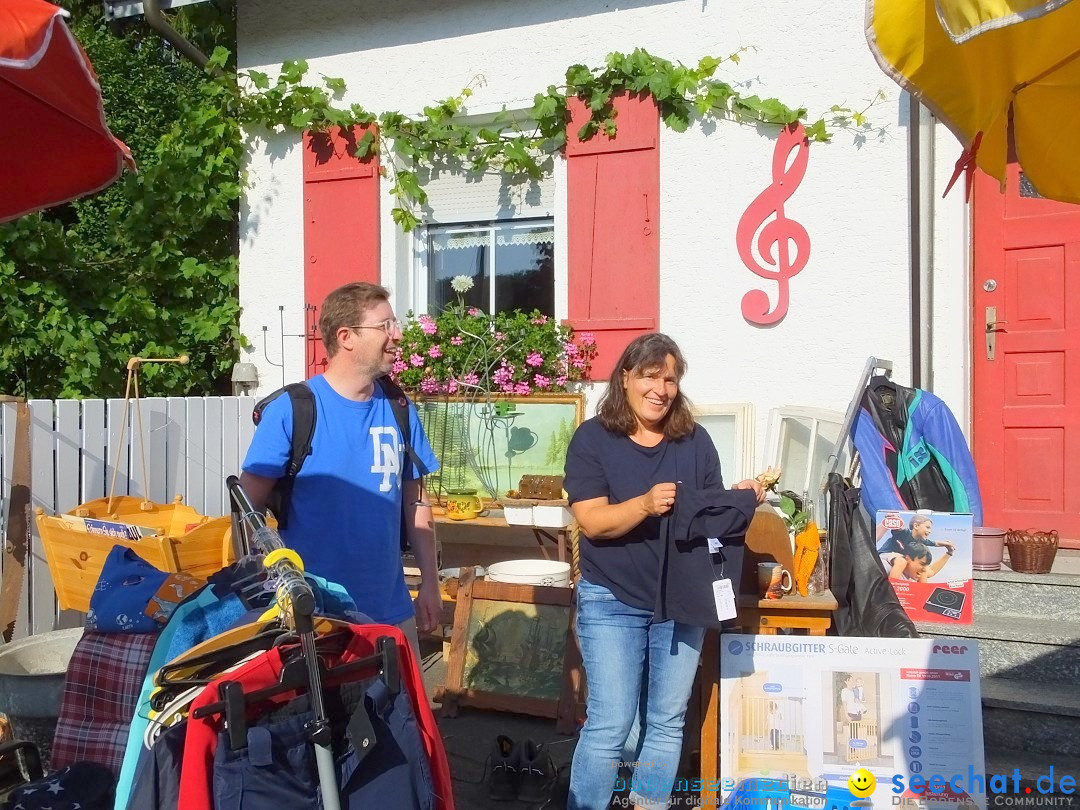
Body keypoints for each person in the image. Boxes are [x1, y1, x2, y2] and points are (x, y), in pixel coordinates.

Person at [563, 332, 765, 810]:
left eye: (670, 379)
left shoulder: (694, 441)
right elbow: (591, 520)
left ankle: (646, 804)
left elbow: (708, 515)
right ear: (626, 378)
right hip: (612, 597)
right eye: (650, 376)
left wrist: (737, 497)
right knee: (611, 724)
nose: (661, 389)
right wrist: (643, 504)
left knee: (667, 720)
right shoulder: (593, 439)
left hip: (682, 598)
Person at [239, 282, 442, 654]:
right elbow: (246, 514)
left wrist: (430, 581)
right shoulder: (292, 410)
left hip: (391, 614)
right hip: (313, 618)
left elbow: (416, 506)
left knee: (403, 713)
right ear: (346, 337)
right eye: (385, 326)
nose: (397, 336)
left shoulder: (400, 408)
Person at [884, 540, 955, 582]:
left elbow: (931, 571)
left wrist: (949, 553)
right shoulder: (899, 559)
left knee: (923, 574)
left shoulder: (911, 570)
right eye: (922, 564)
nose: (924, 569)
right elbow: (900, 561)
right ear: (908, 558)